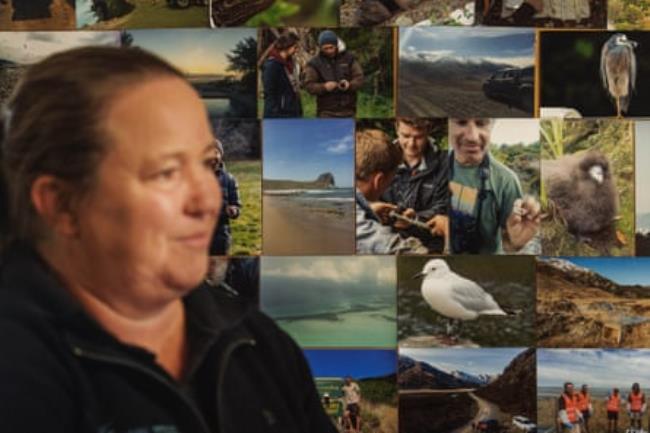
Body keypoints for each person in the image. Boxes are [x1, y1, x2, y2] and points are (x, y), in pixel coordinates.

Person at [0, 46, 336, 433]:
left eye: (208, 164)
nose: (208, 199)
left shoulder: (260, 345)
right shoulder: (16, 375)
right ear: (61, 205)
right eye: (166, 172)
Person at [449, 118, 541, 254]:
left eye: (481, 123)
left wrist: (517, 240)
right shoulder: (434, 170)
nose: (472, 137)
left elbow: (509, 244)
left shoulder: (506, 180)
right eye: (461, 122)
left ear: (491, 127)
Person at [379, 117, 449, 253]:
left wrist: (415, 218)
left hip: (430, 244)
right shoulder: (380, 158)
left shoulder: (446, 163)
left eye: (419, 137)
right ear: (396, 128)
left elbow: (443, 207)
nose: (411, 144)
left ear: (428, 130)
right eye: (405, 136)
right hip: (386, 242)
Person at [355, 128, 430, 254]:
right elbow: (413, 254)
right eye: (390, 180)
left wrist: (368, 210)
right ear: (379, 180)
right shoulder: (364, 231)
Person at [304, 30, 364, 118]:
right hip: (326, 112)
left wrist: (349, 85)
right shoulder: (314, 63)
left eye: (331, 47)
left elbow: (359, 78)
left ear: (336, 45)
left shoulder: (349, 59)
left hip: (348, 110)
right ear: (320, 48)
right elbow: (309, 86)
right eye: (326, 48)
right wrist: (324, 87)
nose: (329, 51)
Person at [209, 138, 241, 255]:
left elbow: (237, 207)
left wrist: (233, 210)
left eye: (215, 152)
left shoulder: (230, 179)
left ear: (221, 155)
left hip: (221, 235)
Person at [262, 33, 303, 118]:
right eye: (295, 47)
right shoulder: (272, 66)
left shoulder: (290, 63)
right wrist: (276, 115)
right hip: (280, 114)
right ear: (286, 46)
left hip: (292, 111)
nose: (297, 50)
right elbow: (269, 94)